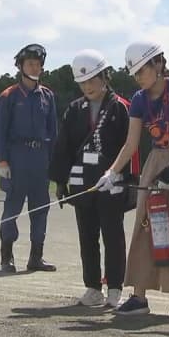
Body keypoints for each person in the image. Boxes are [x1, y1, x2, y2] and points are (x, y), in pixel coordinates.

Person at [95, 40, 169, 317]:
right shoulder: (139, 99)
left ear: (159, 64)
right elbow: (131, 143)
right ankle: (139, 295)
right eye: (135, 73)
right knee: (145, 225)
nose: (138, 77)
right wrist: (113, 171)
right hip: (156, 161)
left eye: (142, 70)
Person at [49, 49, 135, 307]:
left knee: (113, 236)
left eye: (92, 80)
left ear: (105, 77)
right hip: (82, 183)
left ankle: (116, 289)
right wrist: (60, 181)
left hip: (112, 183)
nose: (88, 86)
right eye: (83, 82)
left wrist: (126, 178)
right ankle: (92, 287)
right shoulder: (74, 110)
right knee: (87, 236)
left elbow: (130, 146)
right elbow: (63, 146)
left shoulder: (121, 108)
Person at [0, 43, 58, 273]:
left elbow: (54, 131)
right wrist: (3, 162)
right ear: (20, 66)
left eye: (38, 64)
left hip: (41, 157)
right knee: (12, 206)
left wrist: (54, 164)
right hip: (16, 156)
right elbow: (0, 132)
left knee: (41, 207)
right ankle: (6, 256)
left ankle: (36, 257)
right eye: (30, 63)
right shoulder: (8, 96)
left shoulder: (48, 96)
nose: (35, 67)